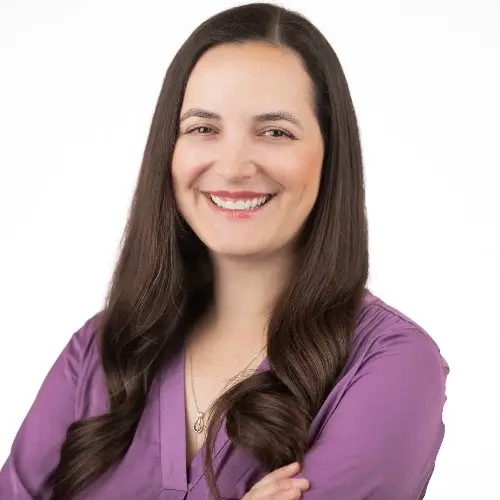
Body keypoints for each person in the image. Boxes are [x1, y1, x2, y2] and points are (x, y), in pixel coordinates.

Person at [0, 2, 449, 499]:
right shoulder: (100, 350)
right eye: (203, 129)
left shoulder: (392, 365)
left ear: (331, 155)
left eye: (275, 131)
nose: (234, 166)